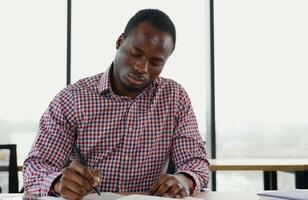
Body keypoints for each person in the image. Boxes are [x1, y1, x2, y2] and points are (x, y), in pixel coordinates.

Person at [23, 8, 209, 199]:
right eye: (136, 53)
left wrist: (184, 179)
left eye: (155, 62)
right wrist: (59, 182)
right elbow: (35, 166)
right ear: (120, 42)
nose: (141, 68)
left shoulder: (175, 98)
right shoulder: (73, 98)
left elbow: (196, 162)